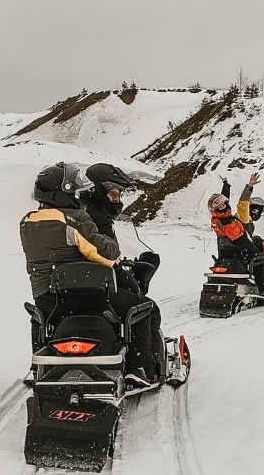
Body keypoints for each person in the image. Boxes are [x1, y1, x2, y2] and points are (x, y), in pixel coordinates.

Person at [21, 162, 161, 384]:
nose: (79, 193)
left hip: (47, 298)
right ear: (63, 192)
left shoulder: (27, 222)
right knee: (144, 309)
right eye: (74, 189)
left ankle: (39, 366)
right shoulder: (72, 219)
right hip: (85, 294)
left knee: (40, 318)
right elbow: (107, 254)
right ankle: (140, 368)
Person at [80, 163, 160, 295]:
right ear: (97, 191)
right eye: (113, 194)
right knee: (148, 309)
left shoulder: (83, 213)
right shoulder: (97, 220)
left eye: (118, 195)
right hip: (98, 287)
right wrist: (134, 285)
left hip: (85, 283)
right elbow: (105, 258)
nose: (117, 200)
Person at [208, 172, 264, 297]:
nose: (255, 212)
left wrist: (226, 186)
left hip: (227, 254)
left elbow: (223, 202)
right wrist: (249, 187)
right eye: (254, 208)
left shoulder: (223, 217)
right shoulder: (233, 220)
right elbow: (241, 239)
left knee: (259, 256)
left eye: (223, 203)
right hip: (238, 252)